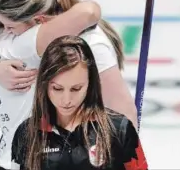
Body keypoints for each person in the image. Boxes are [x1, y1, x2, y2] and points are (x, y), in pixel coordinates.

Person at [0, 0, 138, 170]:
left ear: (38, 19)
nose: (2, 31)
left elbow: (121, 113)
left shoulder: (76, 42)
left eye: (8, 25)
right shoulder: (14, 37)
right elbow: (89, 11)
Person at [11, 35, 148, 170]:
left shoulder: (119, 129)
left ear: (90, 83)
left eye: (76, 88)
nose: (66, 100)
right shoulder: (26, 134)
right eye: (57, 88)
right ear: (44, 84)